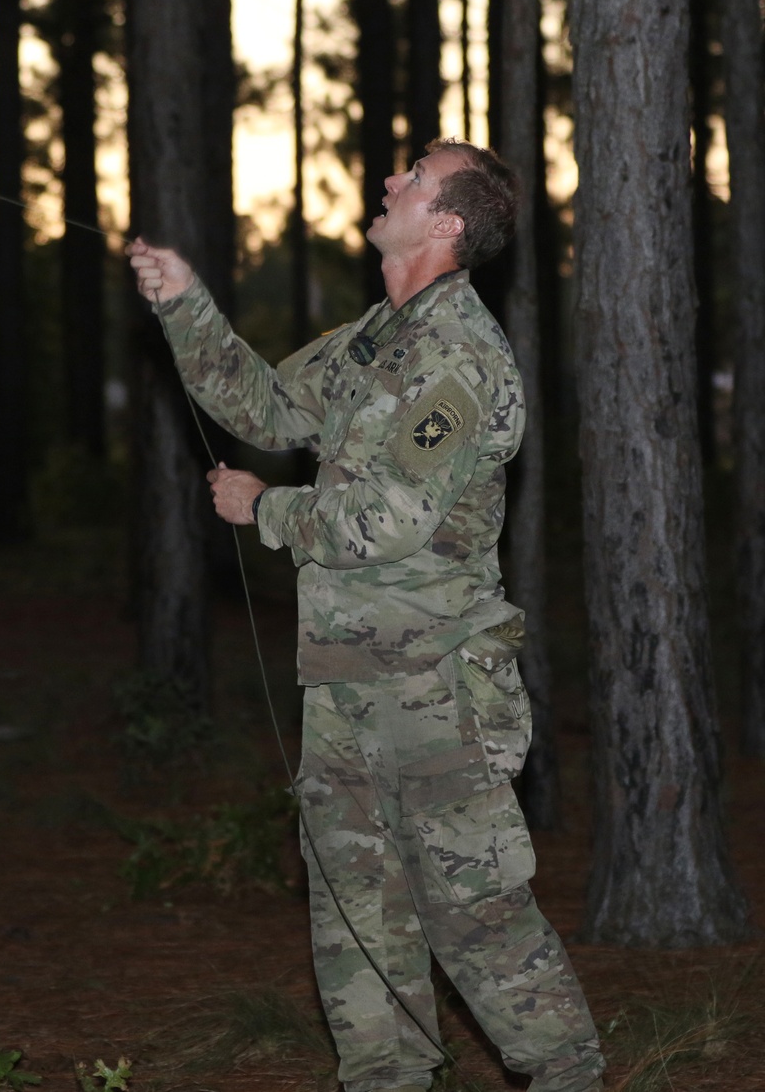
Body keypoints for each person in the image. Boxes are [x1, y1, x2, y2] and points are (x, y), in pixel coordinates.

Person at [126, 138, 605, 1092]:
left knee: (474, 918)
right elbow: (262, 405)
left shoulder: (457, 355)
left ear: (447, 223)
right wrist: (183, 300)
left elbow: (386, 522)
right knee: (359, 928)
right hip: (343, 687)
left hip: (432, 692)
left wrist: (266, 510)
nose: (390, 180)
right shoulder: (371, 339)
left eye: (414, 178)